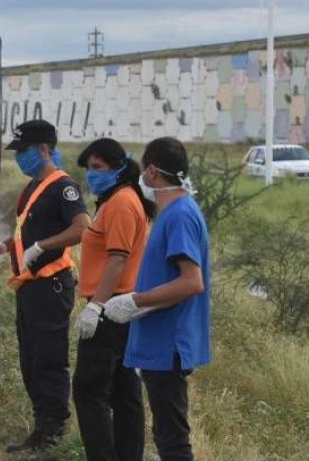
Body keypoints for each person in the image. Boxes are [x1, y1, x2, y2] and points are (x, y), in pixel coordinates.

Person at [0, 119, 90, 454]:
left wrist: (43, 246)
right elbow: (26, 233)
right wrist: (6, 247)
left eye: (25, 151)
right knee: (29, 360)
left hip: (51, 286)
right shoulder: (32, 188)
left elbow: (82, 228)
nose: (20, 158)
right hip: (30, 287)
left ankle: (53, 433)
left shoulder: (63, 187)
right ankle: (41, 428)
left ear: (45, 149)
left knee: (48, 360)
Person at [102, 137, 211, 461]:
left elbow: (192, 282)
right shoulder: (172, 212)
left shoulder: (179, 215)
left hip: (170, 343)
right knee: (165, 434)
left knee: (173, 441)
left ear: (151, 171)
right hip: (159, 343)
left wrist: (135, 301)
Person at [73, 138, 157, 461]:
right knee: (124, 393)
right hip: (120, 308)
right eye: (88, 168)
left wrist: (95, 307)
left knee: (89, 390)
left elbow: (118, 260)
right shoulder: (118, 198)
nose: (92, 174)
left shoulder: (122, 202)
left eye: (97, 168)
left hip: (111, 308)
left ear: (118, 168)